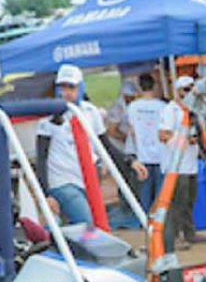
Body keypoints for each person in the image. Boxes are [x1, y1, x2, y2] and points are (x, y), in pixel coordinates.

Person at [37, 64, 147, 225]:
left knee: (81, 229)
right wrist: (45, 193)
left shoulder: (90, 112)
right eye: (62, 87)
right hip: (62, 181)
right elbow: (42, 157)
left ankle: (65, 248)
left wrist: (130, 161)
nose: (66, 92)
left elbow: (105, 146)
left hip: (88, 179)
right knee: (87, 225)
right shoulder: (47, 118)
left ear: (80, 87)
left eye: (71, 87)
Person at [158, 75, 206, 251]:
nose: (190, 94)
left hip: (190, 163)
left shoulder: (194, 110)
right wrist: (184, 138)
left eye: (192, 90)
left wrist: (204, 157)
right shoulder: (170, 110)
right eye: (186, 90)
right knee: (177, 203)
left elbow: (199, 136)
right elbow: (163, 135)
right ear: (178, 92)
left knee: (189, 200)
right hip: (175, 165)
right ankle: (176, 236)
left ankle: (189, 232)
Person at [125, 73, 166, 221]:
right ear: (154, 86)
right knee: (161, 195)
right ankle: (161, 223)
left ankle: (144, 223)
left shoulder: (133, 107)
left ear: (139, 87)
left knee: (145, 195)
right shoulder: (163, 106)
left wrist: (136, 151)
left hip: (143, 156)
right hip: (161, 155)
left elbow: (133, 132)